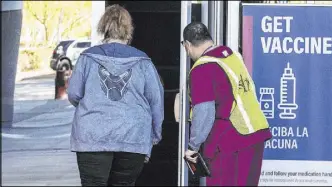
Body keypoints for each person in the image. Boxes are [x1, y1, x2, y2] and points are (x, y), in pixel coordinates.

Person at [67, 4, 164, 186]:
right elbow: (156, 101)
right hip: (133, 137)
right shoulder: (143, 62)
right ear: (128, 29)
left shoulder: (87, 58)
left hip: (92, 138)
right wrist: (154, 136)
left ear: (103, 27)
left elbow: (74, 94)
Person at [182, 22, 272, 186]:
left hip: (230, 143)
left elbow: (204, 113)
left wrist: (193, 147)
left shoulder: (202, 68)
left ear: (187, 45)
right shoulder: (231, 55)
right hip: (255, 135)